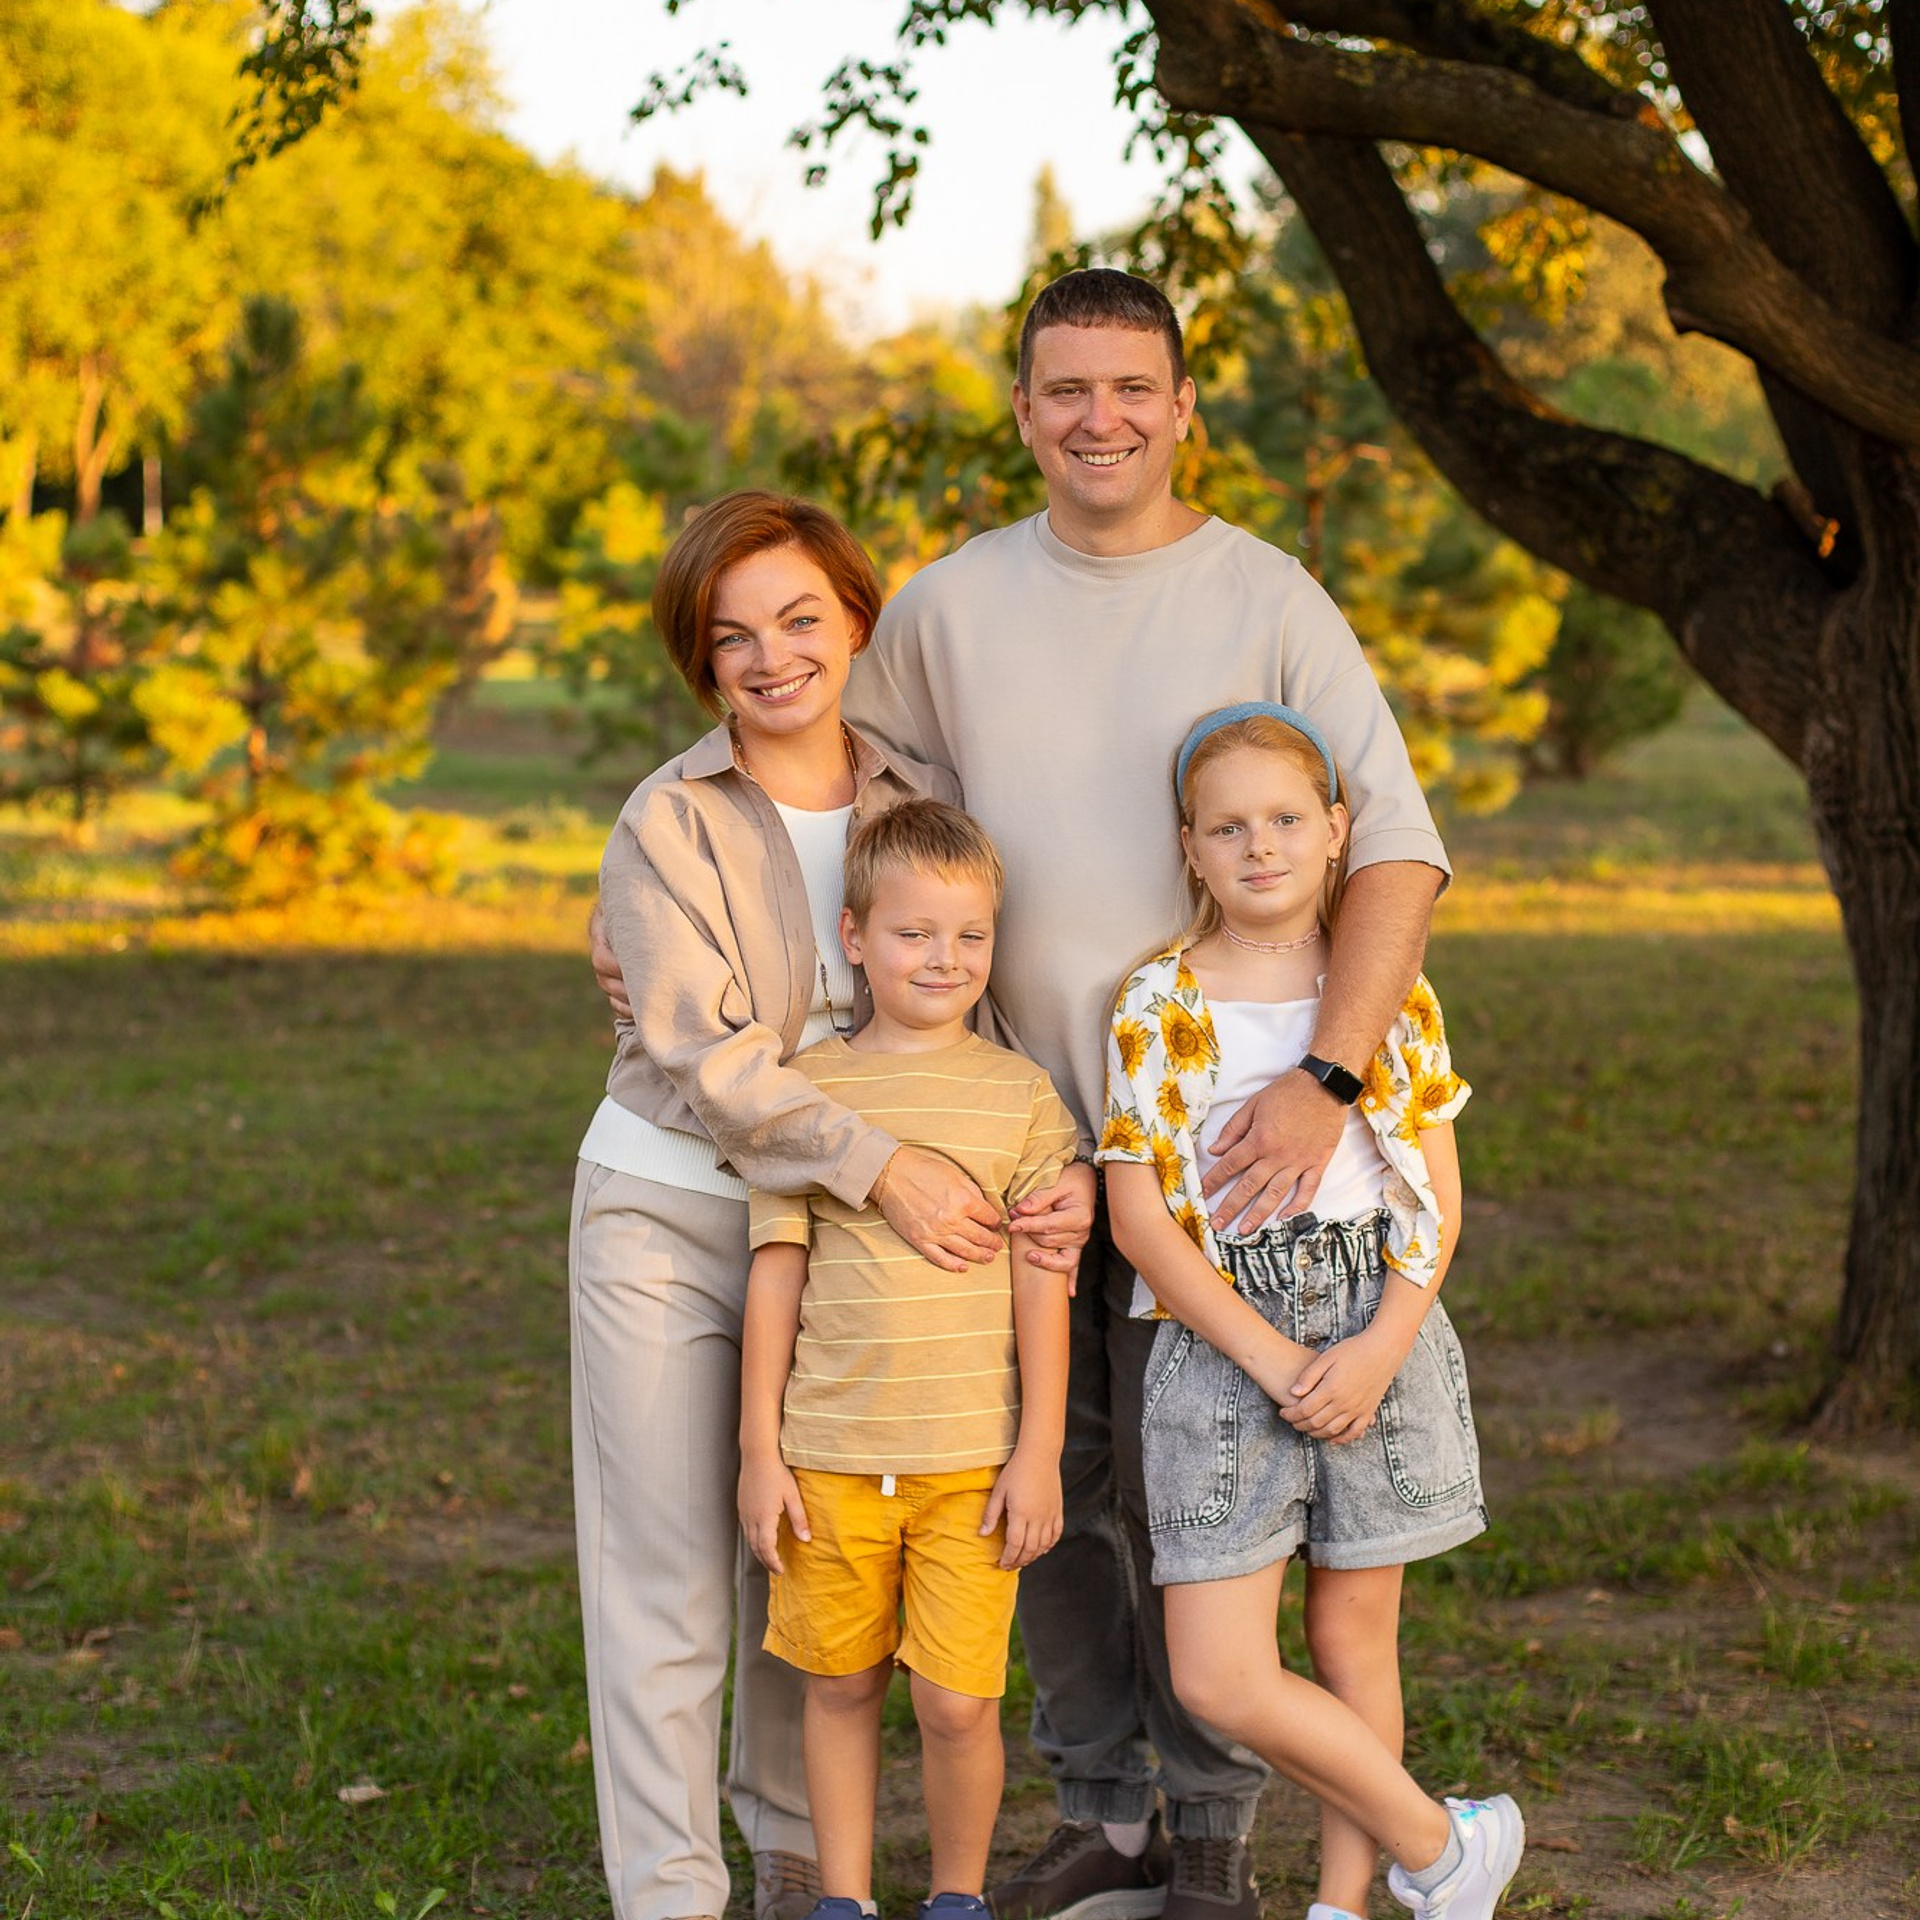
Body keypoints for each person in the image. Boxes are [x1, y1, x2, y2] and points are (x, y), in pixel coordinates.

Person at [594, 270, 1452, 1920]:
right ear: (1023, 410)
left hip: (1222, 1165)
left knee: (1201, 1505)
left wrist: (1331, 1085)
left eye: (1135, 387)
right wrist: (631, 906)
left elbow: (1396, 846)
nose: (1101, 417)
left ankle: (1208, 1838)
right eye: (1066, 389)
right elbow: (825, 780)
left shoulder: (1270, 596)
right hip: (996, 1153)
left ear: (1186, 405)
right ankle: (1107, 1814)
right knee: (1033, 1507)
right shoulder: (948, 606)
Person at [574, 491, 1091, 1920]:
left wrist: (1049, 1193)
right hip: (678, 1214)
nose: (772, 656)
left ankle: (806, 1869)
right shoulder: (668, 822)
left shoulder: (926, 795)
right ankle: (673, 1897)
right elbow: (705, 1059)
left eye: (801, 617)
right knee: (672, 1576)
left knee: (806, 1559)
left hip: (880, 1254)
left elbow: (991, 986)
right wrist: (884, 1163)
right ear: (700, 658)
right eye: (730, 635)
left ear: (857, 616)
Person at [1099, 704, 1518, 1920]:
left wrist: (1381, 1344)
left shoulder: (1383, 992)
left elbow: (1436, 1201)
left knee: (1353, 1640)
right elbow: (1139, 1221)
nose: (1260, 846)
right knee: (1220, 1674)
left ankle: (1348, 1902)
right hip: (1225, 1345)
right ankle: (1441, 1842)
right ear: (1190, 848)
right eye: (1228, 827)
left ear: (1338, 831)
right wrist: (1273, 1355)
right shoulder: (1159, 1001)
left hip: (1377, 1324)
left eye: (1287, 819)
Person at [739, 798, 1076, 1920]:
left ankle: (956, 1899)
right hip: (829, 1456)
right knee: (838, 1689)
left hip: (971, 1466)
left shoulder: (1022, 1098)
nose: (944, 958)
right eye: (913, 933)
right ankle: (842, 1900)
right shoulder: (811, 1091)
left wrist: (1038, 1457)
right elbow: (776, 1273)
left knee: (957, 1706)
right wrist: (758, 1453)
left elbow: (1043, 1283)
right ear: (853, 937)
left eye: (970, 935)